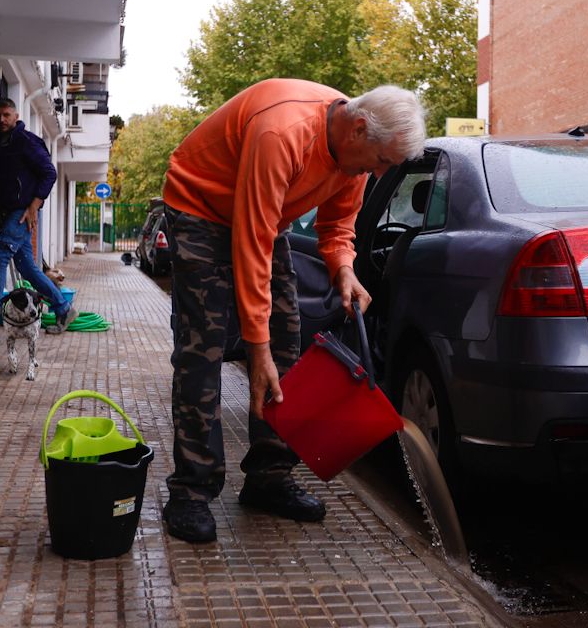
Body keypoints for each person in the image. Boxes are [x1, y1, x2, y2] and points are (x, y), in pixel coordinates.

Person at [160, 78, 426, 543]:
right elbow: (251, 242)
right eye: (383, 162)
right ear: (359, 128)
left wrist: (343, 268)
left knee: (287, 345)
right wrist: (253, 347)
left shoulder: (354, 159)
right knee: (203, 351)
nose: (379, 173)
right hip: (201, 207)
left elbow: (338, 225)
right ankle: (191, 491)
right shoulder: (282, 133)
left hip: (264, 218)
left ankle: (269, 476)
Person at [0, 98, 77, 340]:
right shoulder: (1, 144)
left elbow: (49, 173)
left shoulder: (26, 141)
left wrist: (34, 206)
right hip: (10, 211)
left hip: (21, 213)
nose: (2, 119)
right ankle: (63, 308)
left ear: (16, 115)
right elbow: (2, 181)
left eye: (7, 114)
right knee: (28, 268)